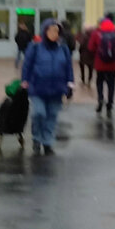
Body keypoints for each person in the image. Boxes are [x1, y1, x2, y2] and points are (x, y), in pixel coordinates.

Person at [21, 19, 74, 155]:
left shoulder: (63, 48)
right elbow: (27, 65)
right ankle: (36, 138)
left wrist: (70, 84)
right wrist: (25, 81)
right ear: (45, 31)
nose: (54, 33)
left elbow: (69, 67)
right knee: (39, 113)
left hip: (57, 88)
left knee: (51, 116)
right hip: (38, 87)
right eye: (51, 30)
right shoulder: (35, 47)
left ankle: (47, 142)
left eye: (56, 31)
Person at [89, 16, 115, 118]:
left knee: (99, 82)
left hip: (100, 64)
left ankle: (100, 99)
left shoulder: (96, 33)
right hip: (113, 65)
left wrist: (97, 54)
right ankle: (110, 103)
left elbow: (90, 47)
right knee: (111, 84)